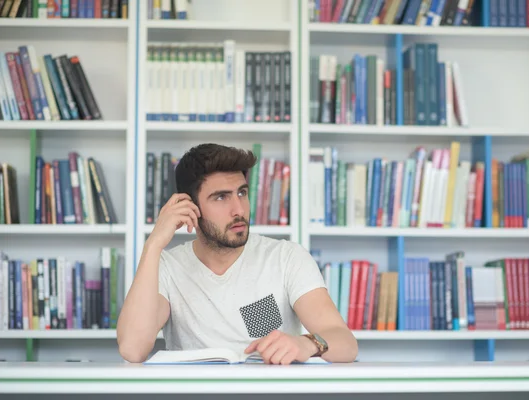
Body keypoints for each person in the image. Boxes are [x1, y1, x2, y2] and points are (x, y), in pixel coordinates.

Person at [116, 143, 358, 365]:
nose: (239, 210)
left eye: (242, 193)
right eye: (221, 197)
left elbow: (345, 343)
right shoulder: (167, 268)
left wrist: (307, 344)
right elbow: (132, 349)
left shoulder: (286, 258)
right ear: (190, 207)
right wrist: (153, 244)